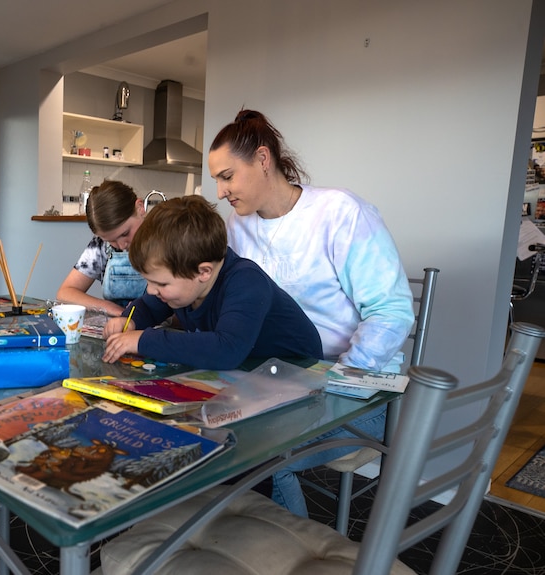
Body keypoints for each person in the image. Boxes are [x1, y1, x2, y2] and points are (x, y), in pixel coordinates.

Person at [208, 109, 415, 517]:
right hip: (275, 378)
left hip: (356, 387)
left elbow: (392, 311)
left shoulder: (341, 213)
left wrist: (337, 380)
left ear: (263, 160)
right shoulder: (237, 225)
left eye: (227, 176)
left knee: (254, 453)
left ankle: (288, 550)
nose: (219, 190)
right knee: (204, 431)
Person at [101, 195, 323, 369]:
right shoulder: (186, 284)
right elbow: (148, 306)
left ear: (203, 272)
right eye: (149, 281)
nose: (151, 290)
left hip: (299, 374)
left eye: (161, 284)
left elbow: (226, 350)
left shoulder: (247, 281)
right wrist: (130, 321)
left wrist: (144, 340)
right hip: (250, 372)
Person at [56, 180, 148, 317]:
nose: (122, 245)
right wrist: (110, 308)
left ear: (140, 207)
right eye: (111, 240)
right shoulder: (100, 246)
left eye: (125, 233)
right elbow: (65, 293)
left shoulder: (165, 241)